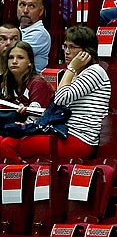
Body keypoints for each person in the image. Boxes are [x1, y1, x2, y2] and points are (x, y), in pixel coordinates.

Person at [0, 27, 108, 162]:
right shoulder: (77, 74)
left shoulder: (94, 72)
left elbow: (60, 99)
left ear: (86, 51)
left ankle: (21, 177)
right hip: (63, 133)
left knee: (16, 144)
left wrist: (71, 68)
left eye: (72, 47)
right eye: (65, 46)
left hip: (79, 140)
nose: (67, 52)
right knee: (9, 138)